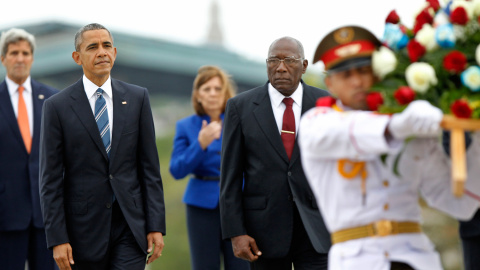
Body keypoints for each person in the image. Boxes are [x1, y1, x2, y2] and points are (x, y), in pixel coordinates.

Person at [299, 25, 480, 270]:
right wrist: (399, 124)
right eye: (346, 75)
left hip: (415, 257)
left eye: (364, 70)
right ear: (329, 83)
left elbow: (459, 204)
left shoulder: (409, 126)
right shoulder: (316, 122)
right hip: (357, 259)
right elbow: (349, 130)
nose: (358, 81)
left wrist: (474, 134)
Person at [39, 23, 166, 270]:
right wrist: (57, 238)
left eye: (107, 46)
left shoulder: (138, 98)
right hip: (80, 233)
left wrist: (156, 225)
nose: (102, 52)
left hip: (130, 226)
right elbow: (50, 180)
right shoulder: (57, 107)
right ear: (77, 57)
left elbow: (149, 168)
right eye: (93, 47)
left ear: (115, 53)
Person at [220, 36, 331, 270]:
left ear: (304, 66)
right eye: (274, 60)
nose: (280, 67)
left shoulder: (326, 104)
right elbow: (229, 176)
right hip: (263, 233)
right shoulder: (240, 107)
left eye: (289, 60)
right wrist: (236, 232)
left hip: (317, 230)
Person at [170, 65, 250, 270]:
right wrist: (200, 144)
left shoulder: (241, 122)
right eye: (207, 89)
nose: (212, 94)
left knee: (242, 265)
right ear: (197, 95)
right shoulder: (186, 126)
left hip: (238, 202)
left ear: (226, 93)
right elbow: (177, 170)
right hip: (201, 206)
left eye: (217, 88)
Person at [0, 28, 58, 270]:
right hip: (5, 215)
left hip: (47, 217)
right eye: (14, 53)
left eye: (25, 53)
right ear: (3, 58)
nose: (20, 58)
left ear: (32, 57)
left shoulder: (53, 100)